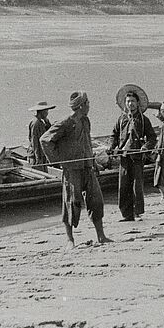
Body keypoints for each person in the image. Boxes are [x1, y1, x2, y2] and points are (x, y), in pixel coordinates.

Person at [40, 91, 111, 247]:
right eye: (88, 103)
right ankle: (70, 240)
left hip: (87, 167)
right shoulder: (65, 123)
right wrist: (58, 160)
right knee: (71, 203)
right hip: (72, 170)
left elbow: (87, 143)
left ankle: (101, 236)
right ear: (81, 106)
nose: (89, 106)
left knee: (96, 201)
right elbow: (45, 140)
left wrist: (93, 162)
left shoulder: (85, 121)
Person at [108, 85, 157, 221]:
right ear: (125, 103)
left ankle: (137, 212)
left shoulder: (143, 120)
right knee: (123, 186)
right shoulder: (121, 119)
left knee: (137, 186)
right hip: (124, 157)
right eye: (128, 101)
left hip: (137, 158)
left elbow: (152, 137)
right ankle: (126, 214)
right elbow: (114, 135)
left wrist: (146, 147)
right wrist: (111, 147)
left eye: (133, 101)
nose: (130, 104)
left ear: (137, 103)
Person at [26, 101, 55, 170]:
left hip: (41, 155)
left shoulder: (41, 122)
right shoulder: (36, 123)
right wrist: (38, 158)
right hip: (36, 156)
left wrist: (47, 122)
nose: (47, 113)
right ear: (41, 111)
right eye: (46, 111)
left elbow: (49, 133)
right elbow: (34, 141)